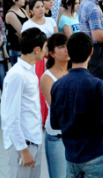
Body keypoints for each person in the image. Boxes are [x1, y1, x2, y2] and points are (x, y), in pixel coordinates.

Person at [50, 32, 103, 178]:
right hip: (95, 153)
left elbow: (54, 123)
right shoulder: (96, 85)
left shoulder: (57, 85)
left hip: (72, 155)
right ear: (91, 52)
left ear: (68, 51)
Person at [1, 27, 48, 178]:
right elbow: (10, 116)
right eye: (45, 48)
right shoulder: (17, 75)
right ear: (37, 49)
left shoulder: (29, 70)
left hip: (33, 140)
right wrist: (23, 149)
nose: (46, 52)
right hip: (23, 144)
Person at [40, 33, 69, 178]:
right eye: (62, 47)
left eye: (67, 45)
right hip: (58, 136)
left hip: (76, 134)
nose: (66, 50)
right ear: (52, 53)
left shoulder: (75, 71)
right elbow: (57, 108)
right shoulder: (47, 77)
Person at [4, 0, 28, 66]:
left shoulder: (23, 10)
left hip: (25, 46)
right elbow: (22, 31)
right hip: (16, 47)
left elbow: (31, 25)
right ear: (14, 0)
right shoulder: (10, 14)